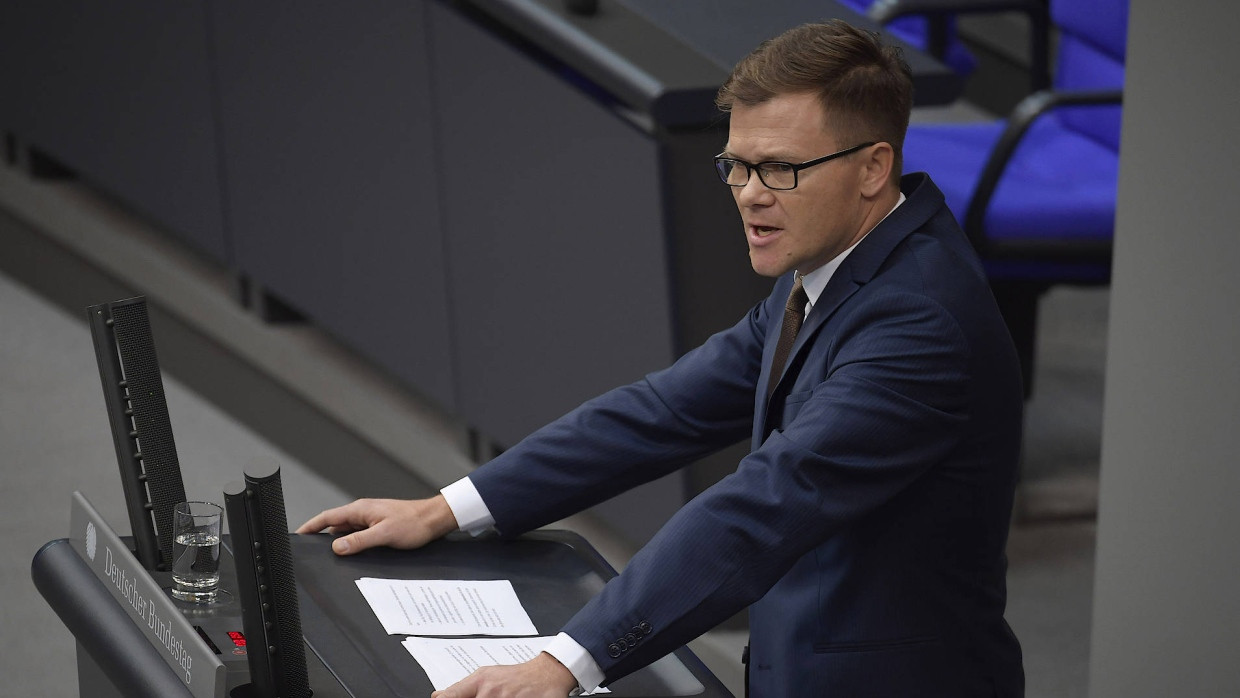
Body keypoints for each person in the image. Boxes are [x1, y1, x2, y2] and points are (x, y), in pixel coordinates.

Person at [299, 19, 1025, 697]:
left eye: (779, 170)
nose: (749, 196)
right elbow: (662, 411)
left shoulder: (919, 325)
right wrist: (446, 509)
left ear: (872, 168)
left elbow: (764, 505)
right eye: (736, 167)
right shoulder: (837, 265)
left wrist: (564, 665)